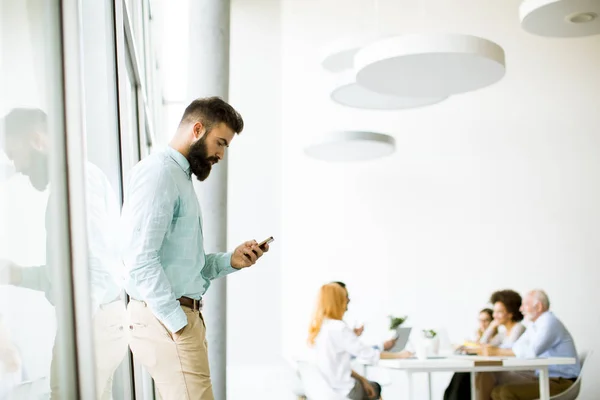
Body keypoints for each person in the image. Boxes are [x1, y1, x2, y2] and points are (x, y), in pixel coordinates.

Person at [121, 97, 269, 400]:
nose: (221, 154)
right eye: (220, 142)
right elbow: (140, 259)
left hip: (177, 319)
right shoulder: (160, 173)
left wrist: (232, 260)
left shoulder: (179, 177)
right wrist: (178, 324)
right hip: (168, 321)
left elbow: (188, 267)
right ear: (198, 129)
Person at [0, 108, 127, 400]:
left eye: (15, 154)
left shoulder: (77, 185)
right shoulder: (76, 183)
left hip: (91, 324)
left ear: (37, 140)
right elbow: (70, 273)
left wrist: (76, 334)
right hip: (100, 319)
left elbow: (95, 266)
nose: (17, 166)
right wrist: (17, 274)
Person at [308, 283, 412, 400]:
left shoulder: (322, 328)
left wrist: (362, 379)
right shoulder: (339, 328)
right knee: (375, 388)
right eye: (345, 296)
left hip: (327, 391)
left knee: (369, 385)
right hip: (344, 391)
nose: (348, 300)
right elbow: (368, 354)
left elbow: (337, 366)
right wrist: (400, 355)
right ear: (337, 301)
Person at [482, 290, 580, 400]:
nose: (520, 309)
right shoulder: (535, 325)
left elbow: (532, 352)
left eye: (525, 305)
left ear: (538, 307)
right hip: (545, 378)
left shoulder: (549, 322)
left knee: (505, 392)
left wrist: (498, 352)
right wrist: (495, 349)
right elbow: (516, 347)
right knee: (496, 392)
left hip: (562, 381)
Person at [332, 281, 398, 351]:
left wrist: (351, 335)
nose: (348, 300)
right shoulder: (338, 326)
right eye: (345, 296)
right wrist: (382, 347)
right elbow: (358, 352)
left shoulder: (332, 325)